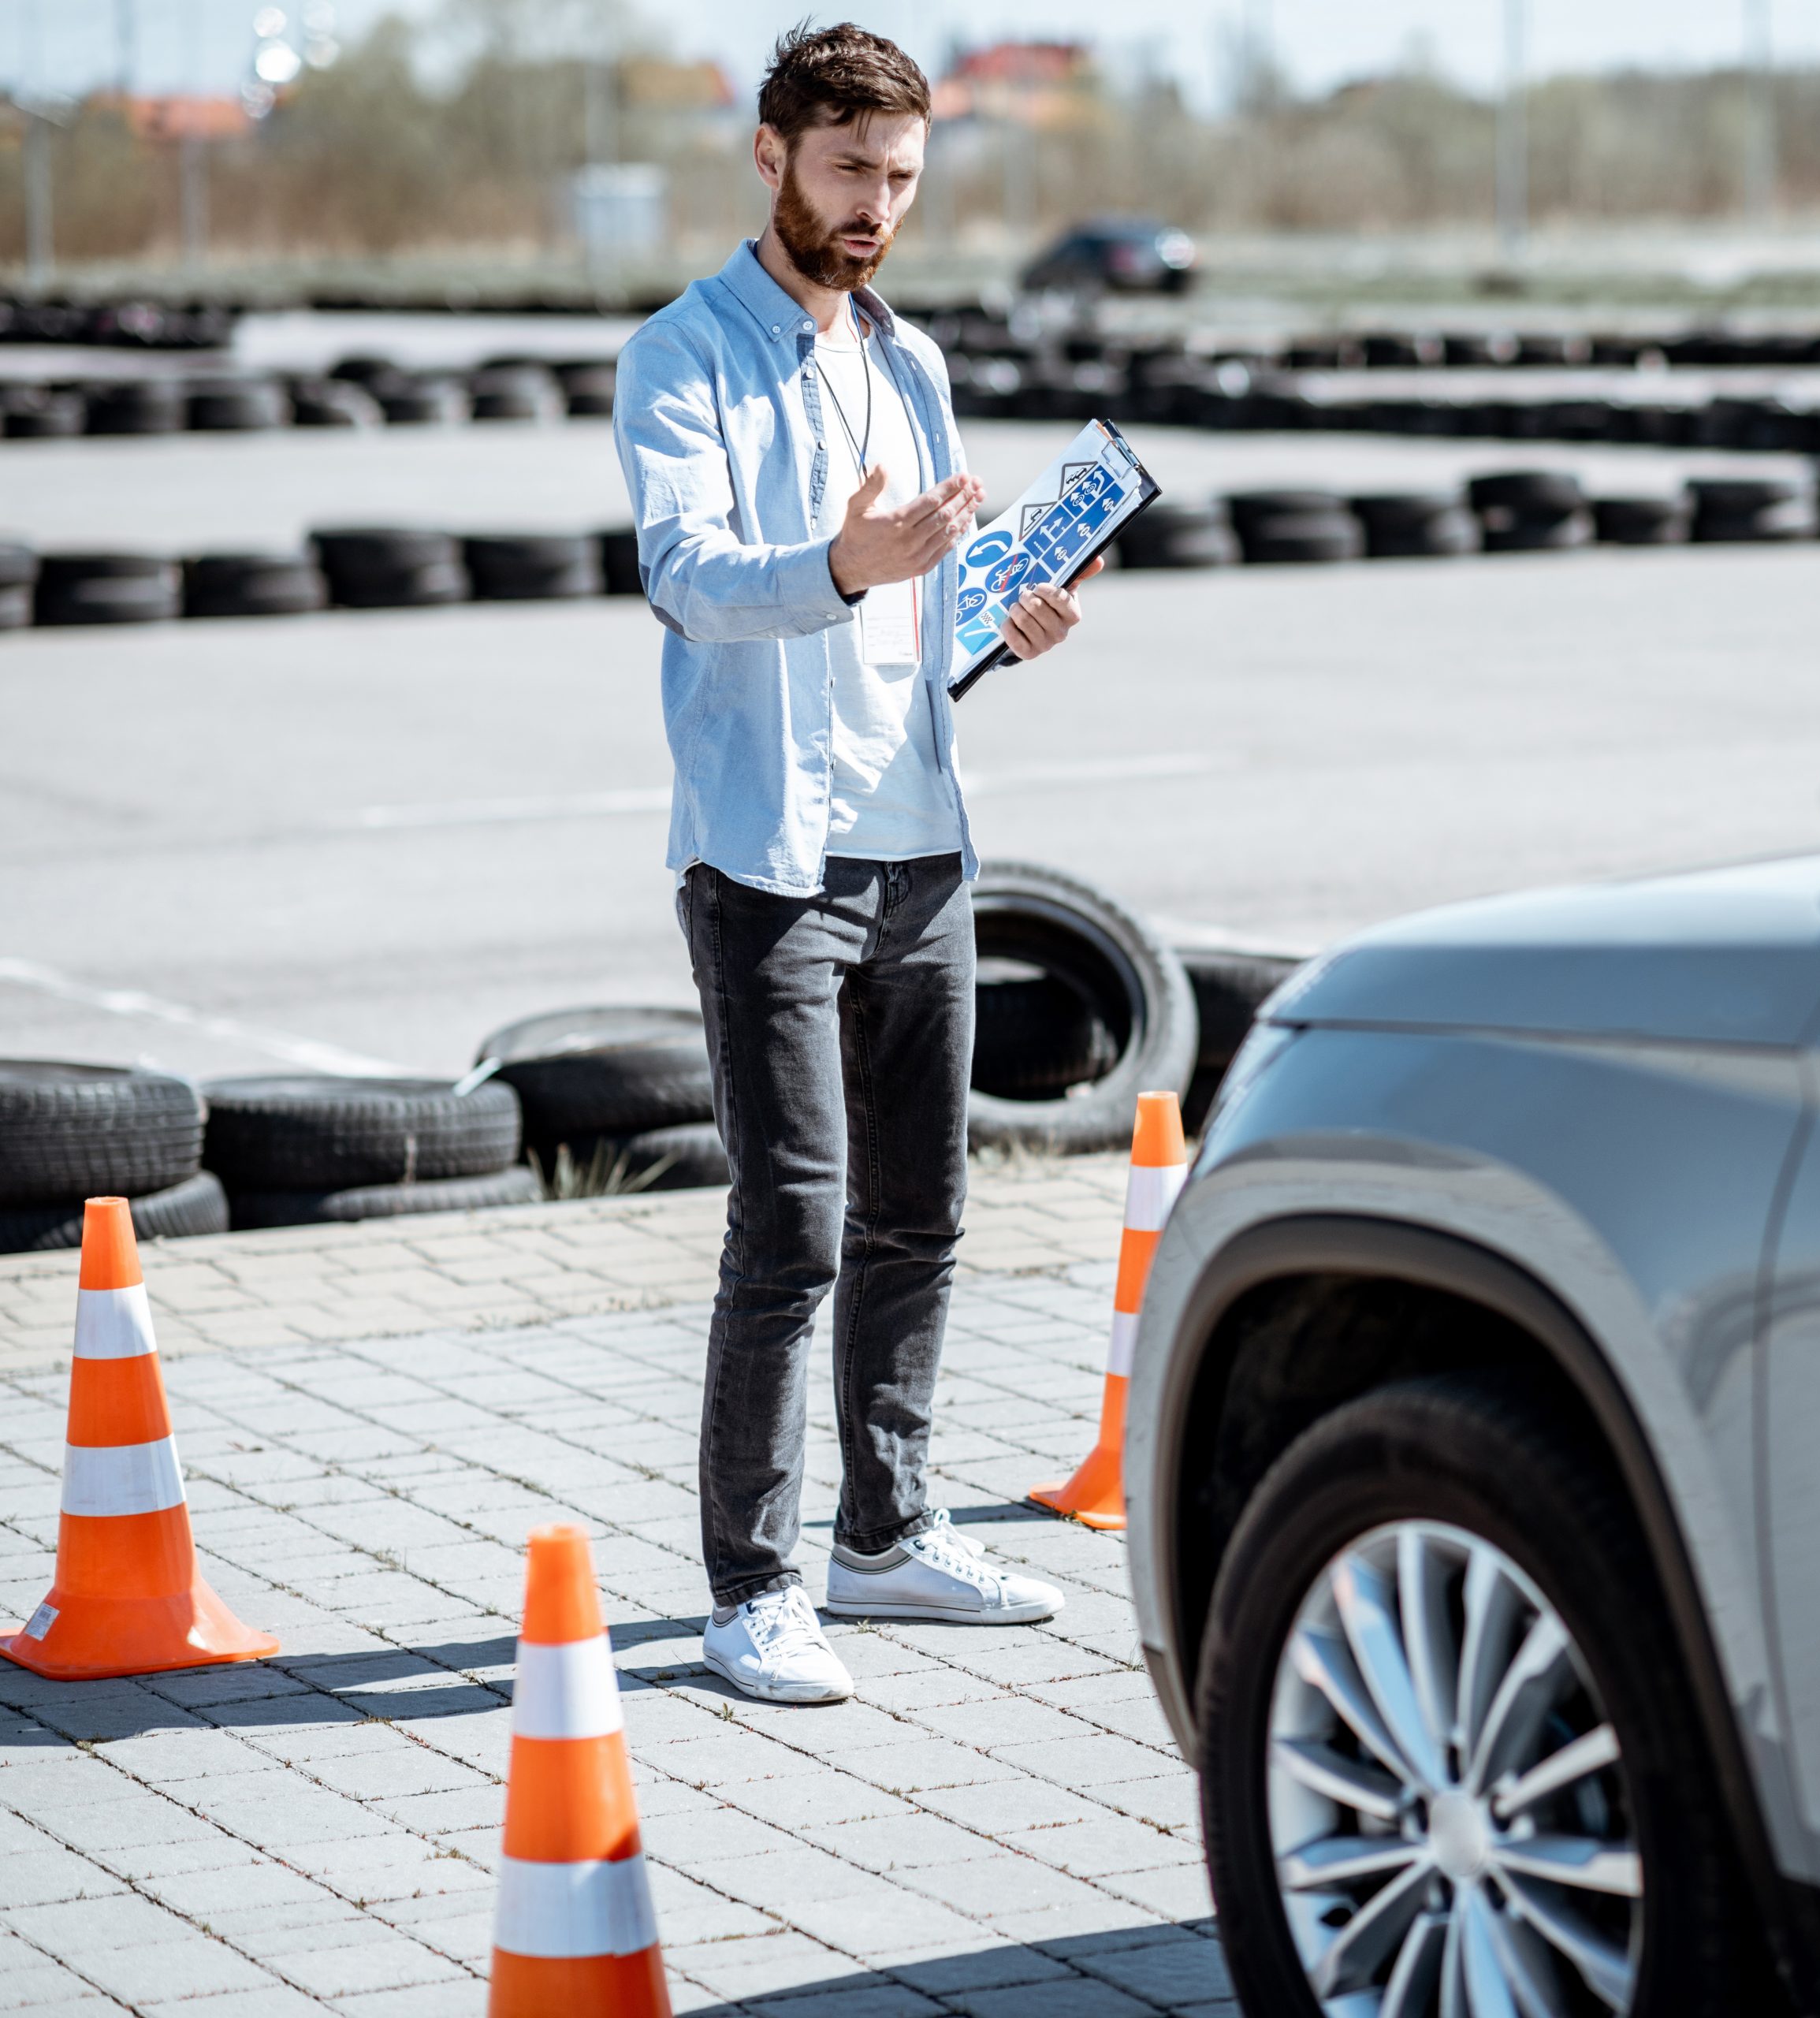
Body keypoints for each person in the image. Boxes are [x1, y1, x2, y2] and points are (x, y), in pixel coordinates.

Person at [613, 20, 1102, 1705]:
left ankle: (884, 1537)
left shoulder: (915, 361)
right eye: (848, 171)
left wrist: (1003, 625)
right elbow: (689, 573)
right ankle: (748, 1586)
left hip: (924, 848)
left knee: (926, 1216)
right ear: (770, 157)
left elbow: (926, 614)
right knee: (794, 1228)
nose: (876, 204)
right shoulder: (678, 356)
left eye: (899, 176)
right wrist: (840, 558)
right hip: (771, 858)